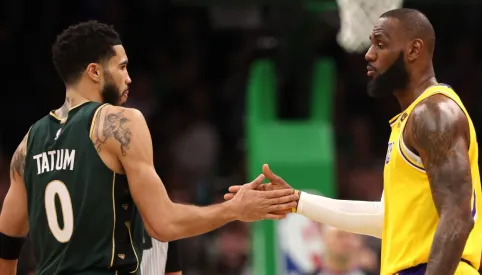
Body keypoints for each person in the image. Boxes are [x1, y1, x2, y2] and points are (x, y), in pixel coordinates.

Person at [0, 21, 299, 275]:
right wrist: (234, 210)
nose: (129, 78)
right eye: (122, 67)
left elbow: (7, 241)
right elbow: (163, 224)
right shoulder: (119, 122)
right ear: (94, 71)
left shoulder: (29, 142)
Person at [225, 8, 482, 275]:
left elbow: (458, 217)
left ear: (413, 50)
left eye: (381, 44)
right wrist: (297, 201)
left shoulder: (434, 114)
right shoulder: (413, 119)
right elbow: (387, 218)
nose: (369, 54)